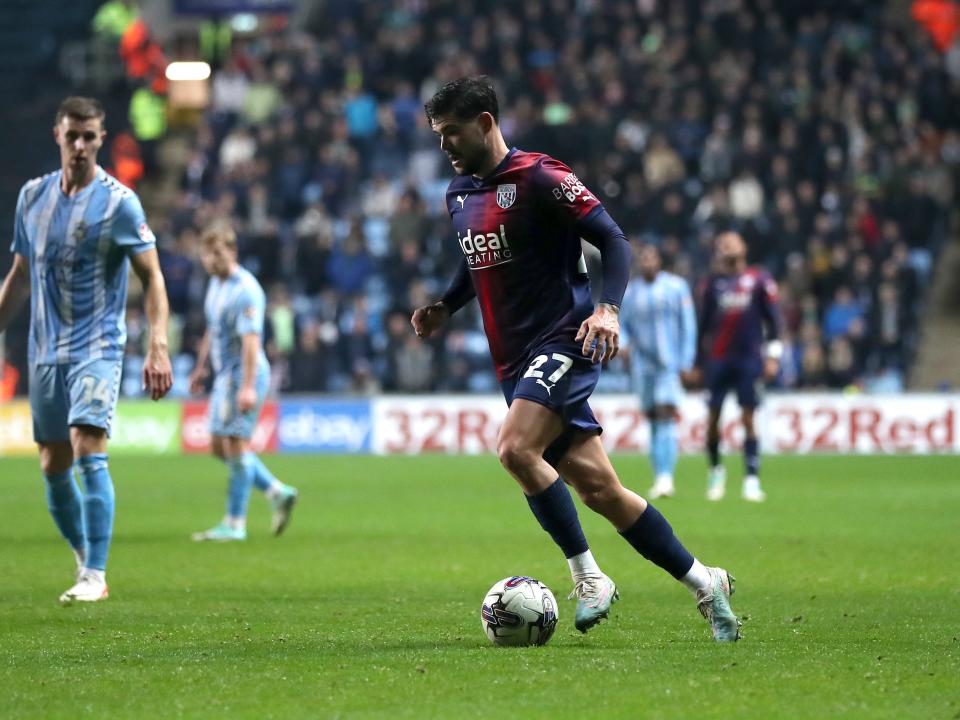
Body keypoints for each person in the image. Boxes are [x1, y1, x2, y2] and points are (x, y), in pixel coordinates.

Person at [411, 77, 741, 641]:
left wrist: (608, 310)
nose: (444, 146)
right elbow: (477, 262)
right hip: (514, 360)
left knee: (515, 449)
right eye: (438, 135)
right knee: (601, 491)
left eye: (452, 133)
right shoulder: (458, 196)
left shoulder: (541, 176)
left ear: (487, 122)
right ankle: (706, 583)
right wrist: (446, 304)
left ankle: (589, 577)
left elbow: (614, 241)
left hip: (567, 338)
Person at [0, 96, 173, 603]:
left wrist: (157, 344)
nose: (80, 145)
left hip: (97, 345)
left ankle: (95, 573)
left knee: (87, 445)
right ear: (58, 134)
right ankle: (84, 560)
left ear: (101, 139)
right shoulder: (32, 198)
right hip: (44, 350)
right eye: (72, 135)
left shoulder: (121, 204)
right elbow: (19, 276)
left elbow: (153, 277)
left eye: (90, 136)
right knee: (53, 465)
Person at [189, 222, 297, 542]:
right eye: (207, 255)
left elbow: (251, 341)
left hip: (244, 374)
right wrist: (201, 366)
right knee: (218, 446)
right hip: (225, 376)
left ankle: (234, 523)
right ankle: (277, 491)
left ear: (232, 252)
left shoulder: (246, 290)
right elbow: (213, 328)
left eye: (218, 253)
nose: (212, 260)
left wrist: (248, 385)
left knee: (235, 445)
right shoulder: (215, 284)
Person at [692, 231, 782, 502]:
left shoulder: (759, 280)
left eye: (732, 241)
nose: (727, 245)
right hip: (718, 361)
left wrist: (773, 357)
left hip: (748, 360)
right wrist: (696, 363)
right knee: (712, 420)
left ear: (744, 247)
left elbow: (774, 322)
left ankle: (751, 479)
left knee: (748, 419)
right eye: (722, 242)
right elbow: (702, 327)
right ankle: (716, 472)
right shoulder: (711, 284)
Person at [620, 245, 697, 499]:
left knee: (665, 414)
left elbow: (688, 325)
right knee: (653, 418)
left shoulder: (676, 287)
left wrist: (686, 361)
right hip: (643, 367)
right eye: (644, 258)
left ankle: (666, 476)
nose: (648, 262)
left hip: (669, 365)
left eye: (652, 257)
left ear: (660, 260)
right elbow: (624, 325)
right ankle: (659, 475)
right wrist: (624, 345)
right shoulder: (632, 292)